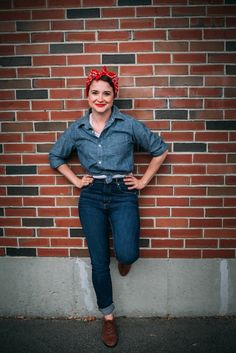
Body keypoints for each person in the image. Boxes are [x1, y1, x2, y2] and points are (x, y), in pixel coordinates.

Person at [49, 66, 168, 348]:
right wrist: (77, 180)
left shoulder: (128, 124)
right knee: (99, 261)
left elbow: (160, 149)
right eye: (95, 93)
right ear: (87, 96)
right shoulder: (77, 129)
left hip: (122, 192)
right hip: (91, 196)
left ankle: (125, 260)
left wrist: (143, 181)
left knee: (127, 251)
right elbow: (56, 156)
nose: (100, 98)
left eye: (106, 93)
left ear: (114, 96)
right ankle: (108, 319)